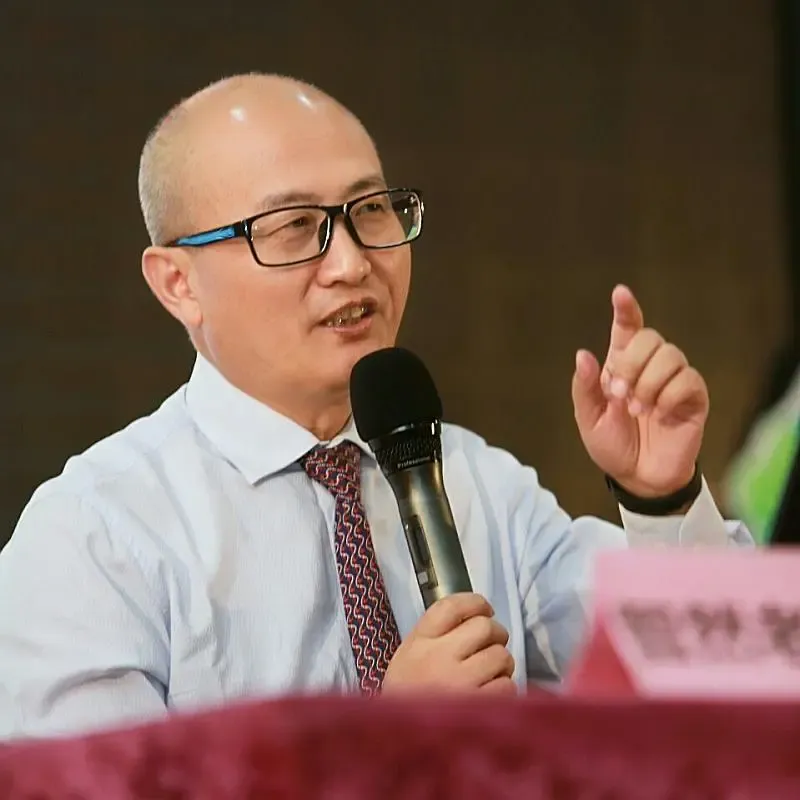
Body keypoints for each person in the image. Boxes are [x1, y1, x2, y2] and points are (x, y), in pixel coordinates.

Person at [0, 73, 752, 740]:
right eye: (294, 228)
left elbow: (725, 694)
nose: (352, 262)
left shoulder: (477, 481)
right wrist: (373, 749)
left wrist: (661, 498)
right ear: (178, 283)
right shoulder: (96, 535)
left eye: (372, 210)